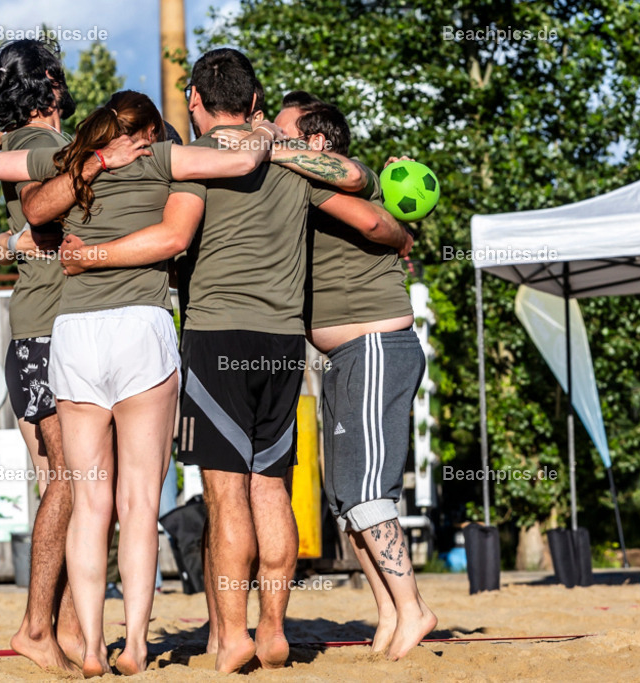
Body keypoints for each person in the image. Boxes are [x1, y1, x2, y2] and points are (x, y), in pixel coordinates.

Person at [0, 89, 283, 677]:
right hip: (140, 328)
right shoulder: (162, 158)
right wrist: (263, 134)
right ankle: (133, 645)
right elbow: (239, 163)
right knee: (138, 505)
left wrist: (94, 163)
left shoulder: (72, 163)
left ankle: (88, 649)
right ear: (150, 131)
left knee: (89, 504)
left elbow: (21, 203)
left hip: (76, 334)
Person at [175, 49, 414, 674]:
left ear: (197, 102)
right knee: (270, 489)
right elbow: (359, 185)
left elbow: (172, 240)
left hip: (218, 333)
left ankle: (232, 636)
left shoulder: (197, 162)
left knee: (225, 500)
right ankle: (275, 630)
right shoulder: (296, 164)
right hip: (284, 341)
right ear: (254, 101)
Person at [0, 39, 145, 673]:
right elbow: (16, 178)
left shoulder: (15, 145)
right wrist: (107, 155)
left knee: (62, 485)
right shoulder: (44, 151)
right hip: (49, 326)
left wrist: (10, 236)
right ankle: (38, 627)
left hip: (33, 327)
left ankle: (67, 631)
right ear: (49, 83)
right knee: (74, 482)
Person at [274, 90, 438, 660]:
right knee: (349, 501)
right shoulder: (302, 187)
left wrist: (269, 148)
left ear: (316, 140)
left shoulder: (339, 180)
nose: (275, 136)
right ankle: (391, 612)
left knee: (370, 493)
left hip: (374, 348)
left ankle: (414, 607)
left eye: (284, 130)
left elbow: (372, 218)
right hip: (345, 357)